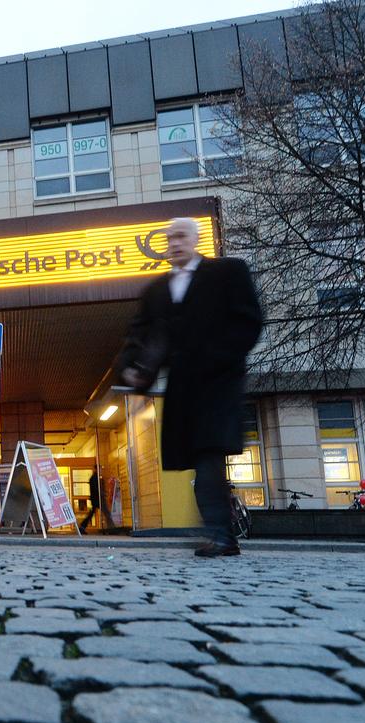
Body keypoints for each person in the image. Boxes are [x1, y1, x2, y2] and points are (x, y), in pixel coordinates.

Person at [114, 217, 263, 557]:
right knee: (198, 460)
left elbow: (249, 321)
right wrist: (132, 372)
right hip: (182, 389)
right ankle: (219, 532)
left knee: (209, 456)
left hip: (218, 383)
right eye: (170, 238)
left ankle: (221, 535)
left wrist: (222, 359)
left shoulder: (228, 273)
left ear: (195, 239)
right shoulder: (157, 290)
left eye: (181, 236)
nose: (175, 242)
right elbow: (139, 335)